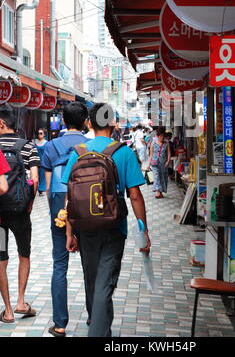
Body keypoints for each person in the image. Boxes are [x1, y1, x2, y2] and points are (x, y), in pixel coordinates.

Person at [61, 103, 151, 337]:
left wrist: (70, 233)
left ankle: (99, 324)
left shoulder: (78, 152)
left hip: (84, 228)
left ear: (89, 123)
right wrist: (144, 231)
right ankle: (99, 332)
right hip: (113, 226)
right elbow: (135, 196)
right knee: (104, 282)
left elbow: (70, 198)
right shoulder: (124, 152)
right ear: (113, 123)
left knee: (93, 279)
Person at [41, 102, 89, 338]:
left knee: (60, 266)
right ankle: (94, 316)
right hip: (89, 209)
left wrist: (56, 213)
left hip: (60, 208)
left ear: (62, 120)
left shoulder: (50, 147)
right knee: (91, 265)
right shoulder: (91, 145)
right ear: (86, 122)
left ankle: (60, 324)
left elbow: (49, 187)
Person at [0, 104, 40, 323]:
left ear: (2, 123)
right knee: (24, 254)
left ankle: (6, 310)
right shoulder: (28, 146)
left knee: (0, 257)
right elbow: (34, 179)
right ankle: (21, 302)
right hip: (20, 211)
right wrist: (29, 203)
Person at [148, 127, 171, 198]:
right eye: (160, 136)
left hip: (163, 163)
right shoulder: (153, 143)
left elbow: (169, 153)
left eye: (163, 136)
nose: (162, 137)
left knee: (163, 178)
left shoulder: (166, 143)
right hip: (155, 163)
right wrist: (148, 164)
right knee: (156, 176)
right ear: (157, 136)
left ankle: (160, 192)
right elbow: (151, 154)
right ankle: (157, 192)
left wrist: (168, 161)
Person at [34, 129, 47, 195]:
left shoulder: (46, 143)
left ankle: (41, 189)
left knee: (42, 176)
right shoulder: (34, 142)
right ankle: (34, 189)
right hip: (34, 161)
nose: (39, 134)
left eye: (41, 133)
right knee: (35, 176)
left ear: (44, 134)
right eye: (38, 133)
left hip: (42, 162)